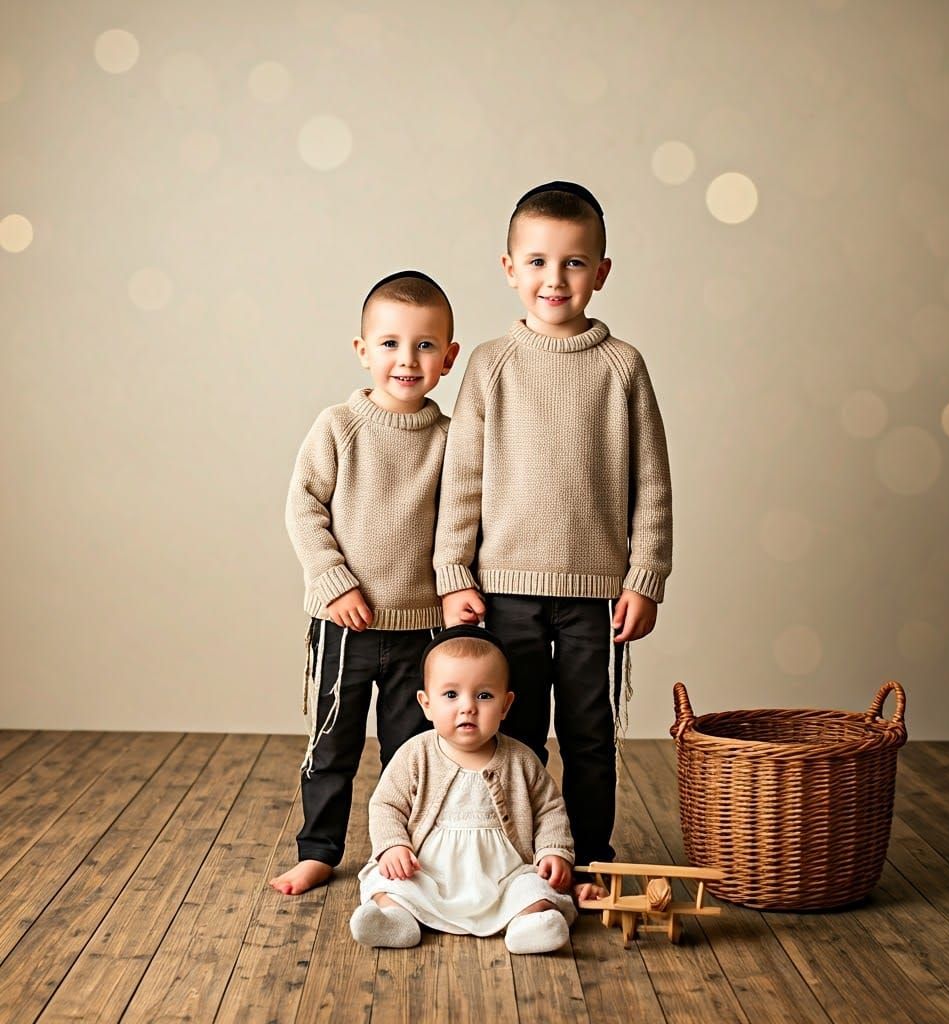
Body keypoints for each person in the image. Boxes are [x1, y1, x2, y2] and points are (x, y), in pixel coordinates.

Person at [433, 182, 672, 897]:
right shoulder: (488, 364)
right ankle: (520, 857)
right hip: (504, 589)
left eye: (573, 263)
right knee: (519, 734)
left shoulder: (622, 367)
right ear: (509, 268)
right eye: (537, 261)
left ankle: (590, 857)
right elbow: (463, 478)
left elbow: (651, 483)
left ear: (601, 272)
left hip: (593, 592)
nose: (554, 279)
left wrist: (645, 576)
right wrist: (453, 571)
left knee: (592, 735)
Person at [270, 271, 460, 895]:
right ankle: (319, 848)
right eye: (389, 344)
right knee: (333, 745)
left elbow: (469, 517)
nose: (407, 360)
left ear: (449, 357)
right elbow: (303, 507)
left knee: (414, 754)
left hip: (422, 630)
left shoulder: (452, 438)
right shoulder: (339, 427)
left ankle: (408, 851)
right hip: (344, 625)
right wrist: (333, 581)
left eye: (425, 346)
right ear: (362, 350)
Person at [350, 626, 576, 953]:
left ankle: (527, 923)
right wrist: (393, 846)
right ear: (426, 704)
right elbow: (386, 806)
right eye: (451, 695)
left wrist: (553, 850)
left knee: (535, 888)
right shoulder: (416, 754)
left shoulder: (521, 760)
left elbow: (549, 809)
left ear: (505, 705)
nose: (468, 706)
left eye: (484, 695)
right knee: (386, 882)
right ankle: (397, 918)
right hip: (428, 872)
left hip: (504, 874)